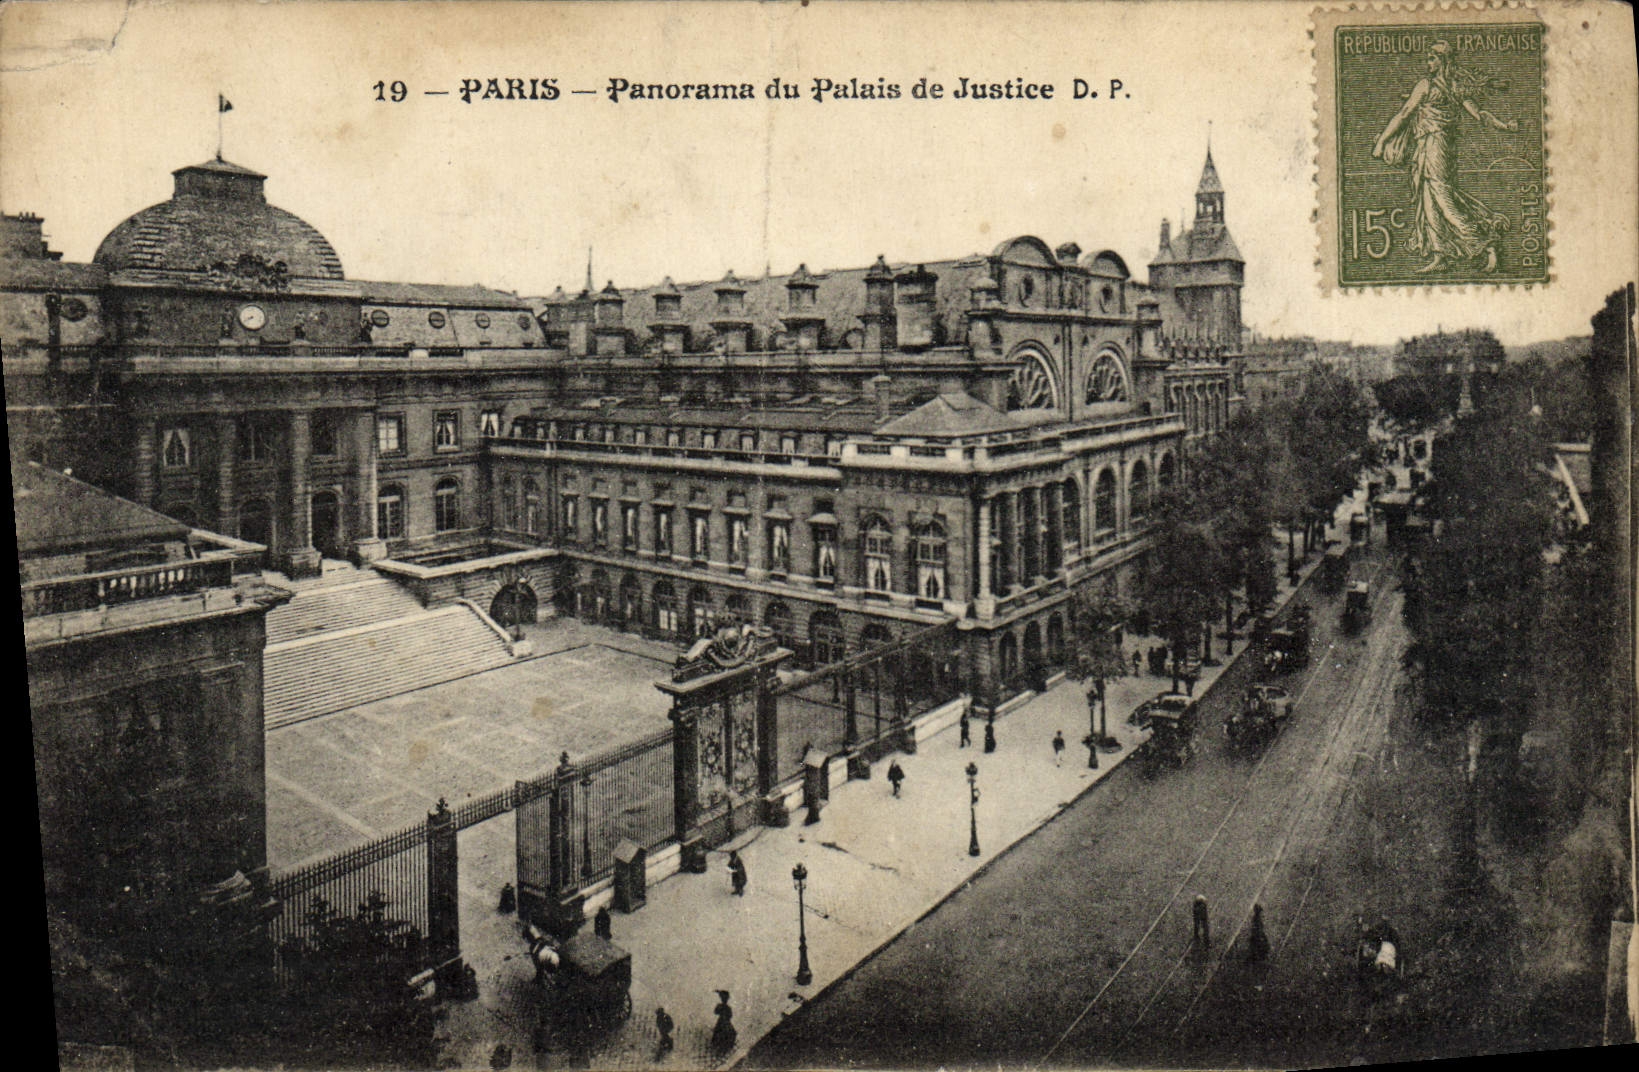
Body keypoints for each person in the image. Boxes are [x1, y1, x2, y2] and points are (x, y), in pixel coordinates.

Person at [1372, 39, 1518, 274]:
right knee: (1428, 198)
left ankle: (1487, 243)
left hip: (1435, 145)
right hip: (1430, 146)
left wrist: (1381, 141)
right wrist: (1504, 125)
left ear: (1442, 61)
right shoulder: (1454, 87)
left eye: (1432, 58)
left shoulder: (1428, 85)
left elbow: (1404, 113)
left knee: (1443, 199)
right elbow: (1479, 114)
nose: (1428, 62)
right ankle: (1440, 255)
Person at [711, 990, 737, 1056]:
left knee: (733, 1033)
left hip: (725, 1021)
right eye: (724, 998)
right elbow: (716, 1012)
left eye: (726, 998)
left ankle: (727, 1048)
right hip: (723, 1021)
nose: (725, 1000)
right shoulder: (722, 1006)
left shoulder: (727, 1007)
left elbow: (730, 1015)